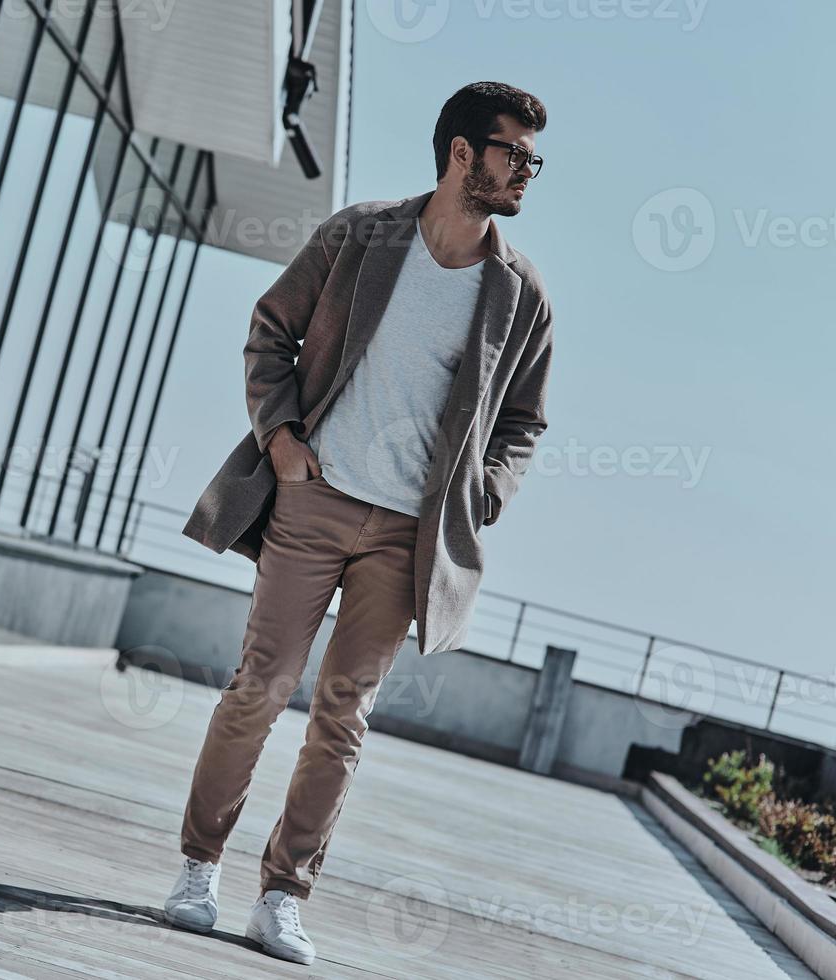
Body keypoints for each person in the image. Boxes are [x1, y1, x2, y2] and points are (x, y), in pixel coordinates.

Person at [167, 81, 556, 965]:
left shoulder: (519, 293)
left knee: (342, 718)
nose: (525, 172)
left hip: (406, 535)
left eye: (533, 160)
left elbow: (523, 422)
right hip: (314, 498)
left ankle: (281, 894)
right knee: (258, 689)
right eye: (513, 154)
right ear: (462, 153)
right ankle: (198, 866)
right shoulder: (361, 233)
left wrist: (483, 492)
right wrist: (283, 444)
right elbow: (271, 331)